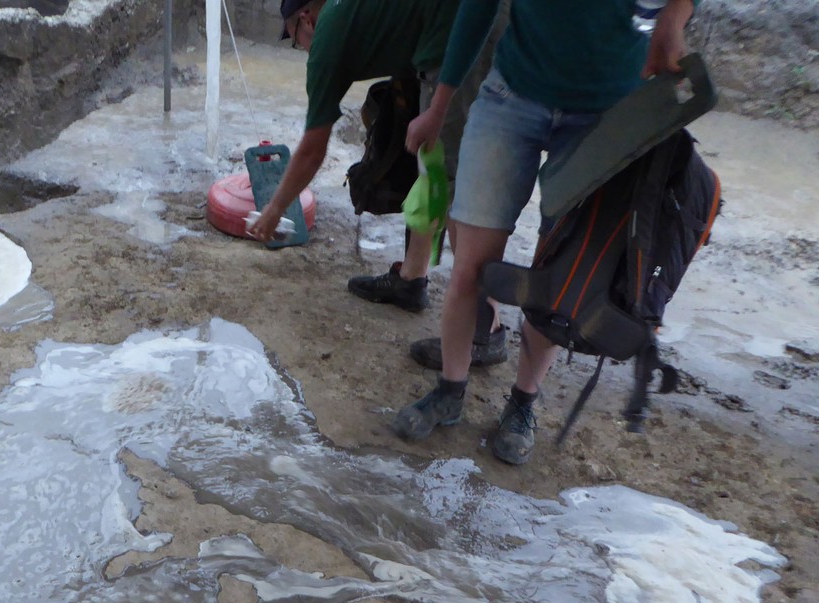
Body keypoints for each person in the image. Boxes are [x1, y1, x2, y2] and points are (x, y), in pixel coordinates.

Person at [391, 0, 699, 464]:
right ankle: (450, 391)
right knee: (471, 269)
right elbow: (477, 10)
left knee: (559, 278)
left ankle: (521, 405)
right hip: (511, 98)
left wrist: (673, 20)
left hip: (604, 118)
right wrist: (439, 106)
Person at [247, 0, 466, 314]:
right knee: (432, 169)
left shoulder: (327, 39)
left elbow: (312, 150)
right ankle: (411, 279)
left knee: (454, 183)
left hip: (459, 42)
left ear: (306, 20)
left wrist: (275, 207)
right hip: (446, 35)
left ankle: (484, 322)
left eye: (296, 40)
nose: (302, 48)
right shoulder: (349, 12)